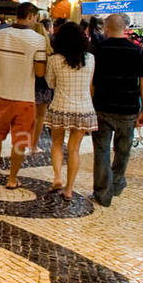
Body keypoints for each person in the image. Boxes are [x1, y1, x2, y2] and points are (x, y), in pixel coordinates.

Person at [0, 2, 48, 188]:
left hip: (1, 94)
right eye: (35, 18)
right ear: (30, 16)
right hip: (25, 97)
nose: (36, 22)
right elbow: (40, 72)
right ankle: (12, 179)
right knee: (20, 138)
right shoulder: (38, 40)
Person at [89, 12, 143, 207]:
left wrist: (89, 103)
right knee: (123, 150)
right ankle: (116, 183)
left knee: (102, 151)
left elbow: (91, 82)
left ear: (106, 29)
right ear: (125, 29)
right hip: (128, 108)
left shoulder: (98, 50)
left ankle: (102, 193)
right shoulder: (138, 51)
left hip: (102, 106)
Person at [44, 22, 97, 200]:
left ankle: (57, 177)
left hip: (60, 107)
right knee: (74, 150)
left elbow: (50, 83)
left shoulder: (54, 59)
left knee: (57, 144)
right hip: (83, 109)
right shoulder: (90, 58)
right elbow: (90, 84)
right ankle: (69, 189)